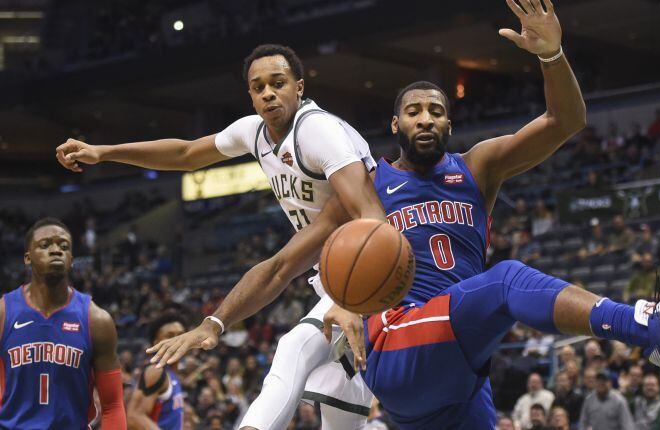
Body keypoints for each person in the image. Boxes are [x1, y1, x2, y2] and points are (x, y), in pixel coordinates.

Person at [152, 1, 660, 427]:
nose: (425, 119)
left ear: (449, 124)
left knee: (492, 295)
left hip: (460, 372)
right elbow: (279, 268)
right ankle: (650, 330)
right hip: (397, 345)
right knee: (507, 280)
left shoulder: (479, 168)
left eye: (436, 112)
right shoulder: (366, 189)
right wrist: (214, 322)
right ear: (394, 126)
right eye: (413, 111)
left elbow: (565, 121)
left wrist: (551, 56)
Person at [56, 44, 384, 428]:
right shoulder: (255, 132)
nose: (268, 94)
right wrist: (103, 152)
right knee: (343, 415)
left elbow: (373, 218)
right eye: (258, 86)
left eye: (278, 83)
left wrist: (352, 299)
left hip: (375, 271)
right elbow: (185, 153)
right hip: (336, 274)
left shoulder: (318, 132)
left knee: (294, 347)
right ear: (249, 94)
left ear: (299, 86)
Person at [0, 218, 126, 428]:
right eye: (45, 245)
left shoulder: (97, 320)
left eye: (63, 246)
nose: (56, 250)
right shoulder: (4, 313)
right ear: (27, 258)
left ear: (71, 259)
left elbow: (112, 405)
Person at [127, 312, 187, 429]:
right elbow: (134, 417)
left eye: (181, 335)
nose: (177, 340)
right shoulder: (156, 371)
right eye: (170, 335)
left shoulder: (173, 374)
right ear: (155, 342)